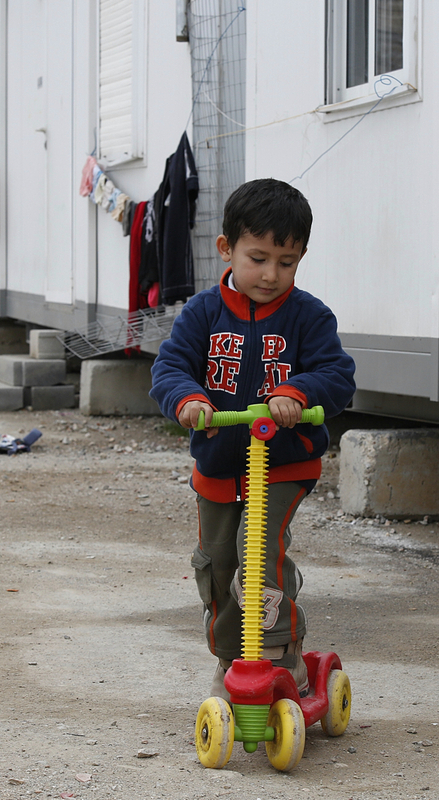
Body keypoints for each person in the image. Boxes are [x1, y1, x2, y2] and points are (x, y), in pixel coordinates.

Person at [149, 178, 356, 698]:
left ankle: (282, 652)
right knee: (217, 562)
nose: (270, 274)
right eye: (258, 258)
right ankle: (229, 660)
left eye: (286, 262)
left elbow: (337, 375)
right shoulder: (202, 313)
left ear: (301, 257)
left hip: (284, 462)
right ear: (227, 249)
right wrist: (189, 400)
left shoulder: (309, 316)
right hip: (219, 463)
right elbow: (170, 366)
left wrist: (296, 391)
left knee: (256, 549)